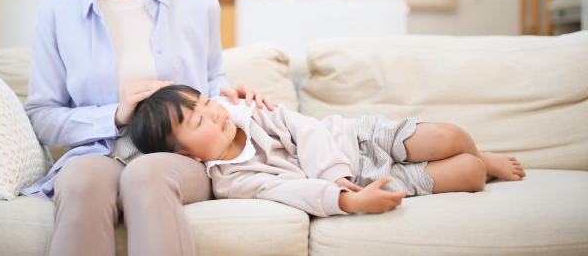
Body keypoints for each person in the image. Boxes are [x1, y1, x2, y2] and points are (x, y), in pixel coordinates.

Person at [20, 0, 275, 256]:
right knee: (82, 178)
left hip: (179, 159)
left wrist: (229, 96)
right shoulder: (57, 14)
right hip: (101, 153)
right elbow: (42, 117)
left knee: (145, 173)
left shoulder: (199, 2)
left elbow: (209, 85)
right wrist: (115, 116)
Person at [129, 85, 526, 217]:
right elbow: (289, 192)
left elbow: (305, 129)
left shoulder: (246, 112)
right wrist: (346, 197)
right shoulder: (234, 182)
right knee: (469, 175)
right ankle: (482, 168)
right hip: (363, 181)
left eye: (205, 103)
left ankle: (486, 156)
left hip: (355, 139)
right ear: (189, 157)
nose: (213, 114)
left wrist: (333, 173)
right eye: (198, 122)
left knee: (451, 137)